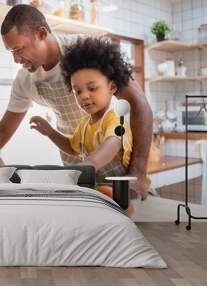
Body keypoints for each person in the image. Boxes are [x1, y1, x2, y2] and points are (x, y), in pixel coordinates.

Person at [0, 4, 152, 199]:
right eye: (11, 52)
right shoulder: (25, 81)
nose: (17, 60)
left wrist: (138, 173)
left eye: (19, 49)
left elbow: (139, 104)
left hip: (118, 165)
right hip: (75, 164)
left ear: (41, 34)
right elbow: (2, 132)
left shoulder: (85, 50)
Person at [30, 37, 150, 216]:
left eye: (92, 88)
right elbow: (72, 148)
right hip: (104, 195)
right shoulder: (85, 125)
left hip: (128, 194)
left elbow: (113, 144)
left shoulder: (115, 117)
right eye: (77, 91)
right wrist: (50, 132)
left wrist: (88, 165)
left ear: (112, 87)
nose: (84, 96)